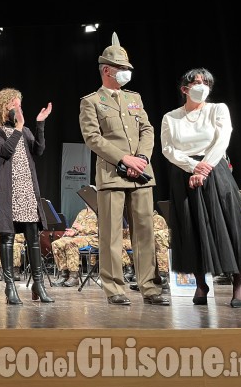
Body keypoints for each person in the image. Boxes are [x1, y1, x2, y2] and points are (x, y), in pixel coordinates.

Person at [160, 68, 241, 308]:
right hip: (184, 173)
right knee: (191, 226)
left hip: (215, 170)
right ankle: (201, 283)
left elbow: (222, 139)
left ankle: (239, 283)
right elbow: (168, 149)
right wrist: (193, 167)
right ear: (184, 88)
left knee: (227, 226)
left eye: (206, 82)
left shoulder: (218, 109)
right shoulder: (171, 117)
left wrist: (204, 168)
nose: (202, 85)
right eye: (196, 82)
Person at [79, 32, 169, 306]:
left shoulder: (135, 98)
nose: (127, 73)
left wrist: (140, 157)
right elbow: (92, 138)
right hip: (112, 176)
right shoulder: (91, 101)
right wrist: (123, 159)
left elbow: (147, 129)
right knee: (111, 234)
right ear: (107, 70)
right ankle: (114, 288)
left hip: (141, 174)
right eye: (122, 69)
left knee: (145, 231)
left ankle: (150, 288)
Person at [0, 87, 54, 304]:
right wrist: (18, 128)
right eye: (14, 104)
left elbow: (39, 150)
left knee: (33, 239)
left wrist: (39, 124)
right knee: (8, 238)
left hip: (26, 190)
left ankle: (38, 284)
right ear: (4, 106)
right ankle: (9, 287)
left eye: (20, 105)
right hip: (7, 191)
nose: (18, 108)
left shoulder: (24, 130)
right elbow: (5, 150)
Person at [51, 203, 98, 287]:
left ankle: (74, 276)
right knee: (56, 244)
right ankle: (64, 274)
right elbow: (75, 228)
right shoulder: (82, 213)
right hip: (79, 237)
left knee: (71, 243)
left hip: (93, 239)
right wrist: (73, 231)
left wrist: (83, 228)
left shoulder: (100, 212)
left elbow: (103, 230)